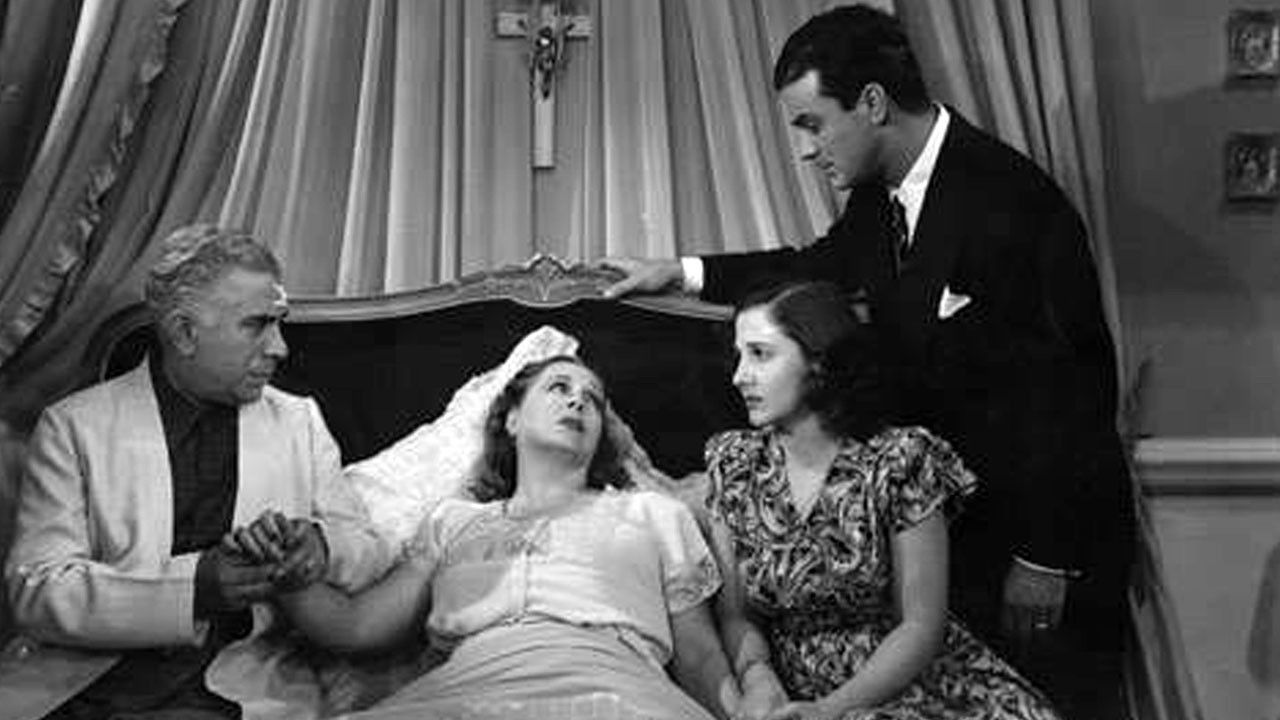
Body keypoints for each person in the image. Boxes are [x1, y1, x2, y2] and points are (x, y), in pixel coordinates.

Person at [600, 5, 1133, 715]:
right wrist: (684, 272)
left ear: (874, 103)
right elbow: (812, 269)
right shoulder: (881, 201)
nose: (805, 150)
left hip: (1046, 538)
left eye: (812, 124)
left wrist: (1045, 555)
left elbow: (1077, 388)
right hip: (956, 540)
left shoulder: (1012, 197)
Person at [3, 225, 395, 719]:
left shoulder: (299, 421)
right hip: (83, 686)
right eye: (257, 325)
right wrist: (195, 590)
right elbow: (38, 591)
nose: (280, 347)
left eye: (279, 324)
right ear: (184, 332)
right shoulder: (74, 426)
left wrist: (319, 547)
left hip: (239, 686)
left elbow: (370, 548)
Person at [231, 355, 739, 720]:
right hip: (463, 693)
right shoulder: (453, 522)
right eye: (559, 387)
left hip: (614, 689)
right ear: (512, 419)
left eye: (593, 400)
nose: (577, 401)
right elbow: (358, 627)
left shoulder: (653, 512)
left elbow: (700, 656)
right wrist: (284, 570)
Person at [704, 280, 1060, 720]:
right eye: (739, 355)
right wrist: (759, 679)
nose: (739, 375)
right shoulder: (733, 462)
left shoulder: (900, 459)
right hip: (797, 689)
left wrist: (828, 710)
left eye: (760, 354)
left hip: (918, 682)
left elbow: (921, 626)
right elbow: (736, 615)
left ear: (819, 362)